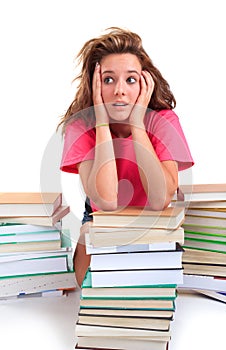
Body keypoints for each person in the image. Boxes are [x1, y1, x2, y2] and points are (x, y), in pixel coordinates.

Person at [58, 27, 194, 287]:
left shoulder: (163, 121)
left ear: (145, 83)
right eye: (108, 79)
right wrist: (100, 120)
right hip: (102, 220)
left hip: (155, 219)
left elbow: (158, 199)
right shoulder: (81, 126)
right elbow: (107, 201)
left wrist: (137, 123)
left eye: (130, 80)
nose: (119, 90)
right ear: (95, 85)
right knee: (87, 279)